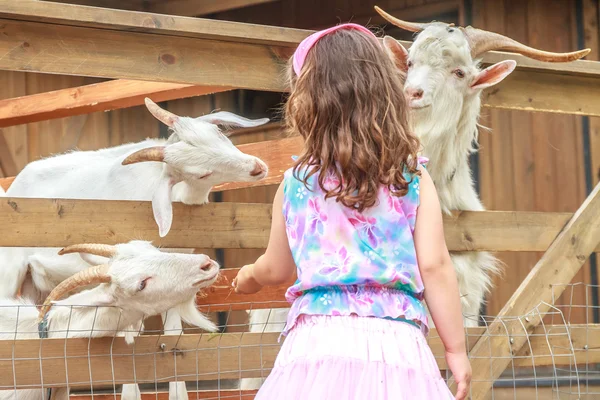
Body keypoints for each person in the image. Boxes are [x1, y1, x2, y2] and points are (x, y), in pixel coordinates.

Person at [232, 23, 471, 400]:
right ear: (386, 93)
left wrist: (249, 276)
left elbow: (277, 268)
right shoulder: (412, 177)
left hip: (317, 346)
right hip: (396, 347)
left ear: (307, 104)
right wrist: (455, 350)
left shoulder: (296, 183)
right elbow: (436, 267)